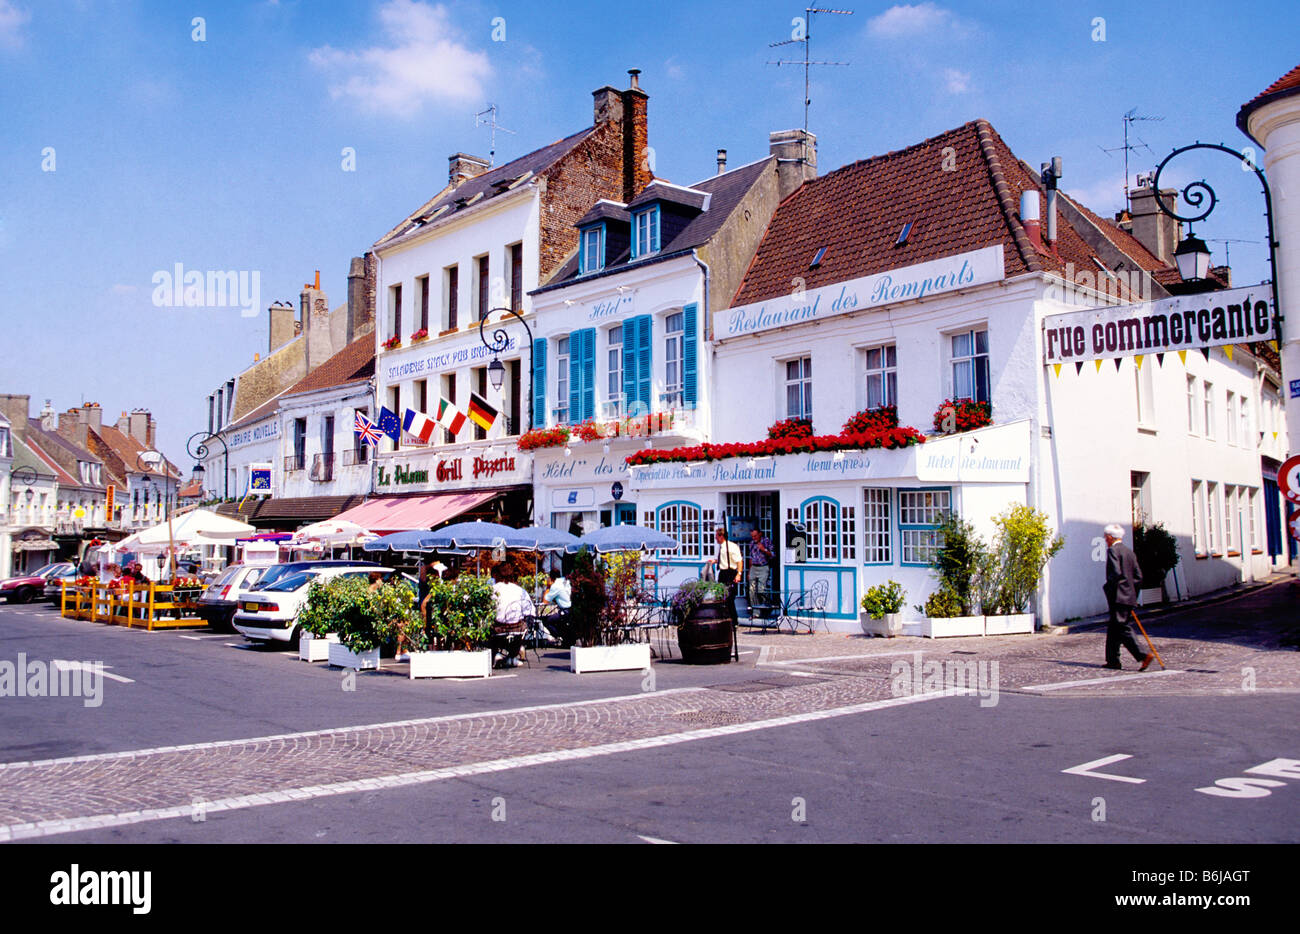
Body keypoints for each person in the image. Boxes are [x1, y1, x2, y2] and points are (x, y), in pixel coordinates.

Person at [1102, 523, 1153, 671]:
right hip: (1128, 596)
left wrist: (1110, 589)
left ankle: (1143, 655)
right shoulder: (1129, 552)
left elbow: (1115, 574)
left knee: (1122, 627)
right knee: (1114, 627)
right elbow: (1138, 577)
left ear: (1110, 537)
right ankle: (1113, 660)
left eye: (1106, 537)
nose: (1105, 540)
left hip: (1118, 596)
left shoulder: (1113, 551)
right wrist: (1132, 593)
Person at [492, 568, 535, 667]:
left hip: (499, 628)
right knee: (524, 626)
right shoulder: (520, 591)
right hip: (517, 628)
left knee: (490, 626)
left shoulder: (493, 589)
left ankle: (496, 652)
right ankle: (513, 655)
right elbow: (529, 610)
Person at [705, 526, 743, 620]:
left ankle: (733, 620)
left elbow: (739, 561)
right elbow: (724, 559)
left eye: (716, 536)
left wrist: (739, 574)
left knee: (729, 598)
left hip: (730, 573)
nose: (715, 538)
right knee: (722, 597)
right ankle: (725, 618)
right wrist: (715, 561)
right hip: (723, 573)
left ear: (721, 536)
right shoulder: (721, 547)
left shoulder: (731, 547)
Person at [746, 527, 774, 611]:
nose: (754, 538)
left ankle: (767, 607)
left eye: (755, 536)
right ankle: (756, 612)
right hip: (754, 567)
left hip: (763, 567)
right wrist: (749, 572)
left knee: (761, 589)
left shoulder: (766, 541)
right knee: (752, 590)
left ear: (760, 534)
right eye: (752, 536)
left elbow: (773, 555)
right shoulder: (751, 544)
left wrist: (764, 549)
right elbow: (751, 558)